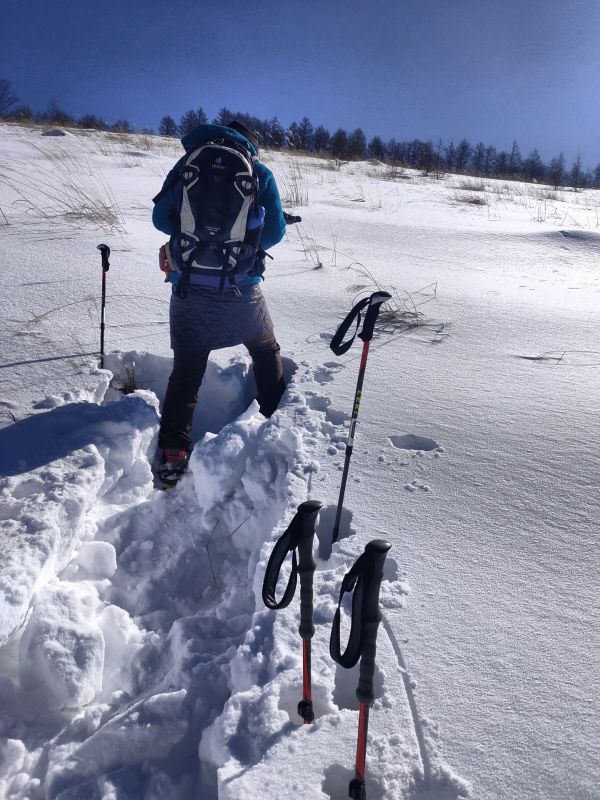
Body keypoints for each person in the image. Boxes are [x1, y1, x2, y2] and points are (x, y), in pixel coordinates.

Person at [152, 119, 287, 486]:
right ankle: (275, 422)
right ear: (248, 141)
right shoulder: (257, 171)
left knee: (187, 370)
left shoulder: (188, 164)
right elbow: (274, 232)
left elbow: (160, 219)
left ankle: (173, 454)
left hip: (190, 287)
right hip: (240, 289)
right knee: (264, 347)